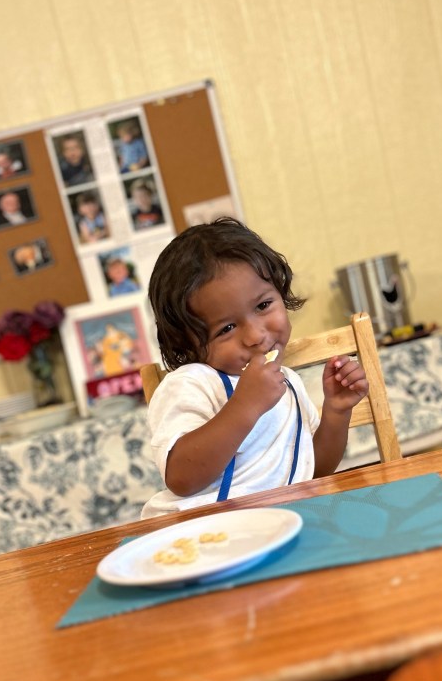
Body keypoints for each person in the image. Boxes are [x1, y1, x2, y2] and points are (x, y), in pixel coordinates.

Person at [140, 217, 369, 518]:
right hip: (200, 530)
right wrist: (246, 405)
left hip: (276, 525)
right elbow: (182, 478)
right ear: (188, 346)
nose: (255, 336)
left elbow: (314, 471)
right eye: (226, 328)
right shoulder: (191, 384)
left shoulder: (288, 383)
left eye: (263, 306)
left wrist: (336, 412)